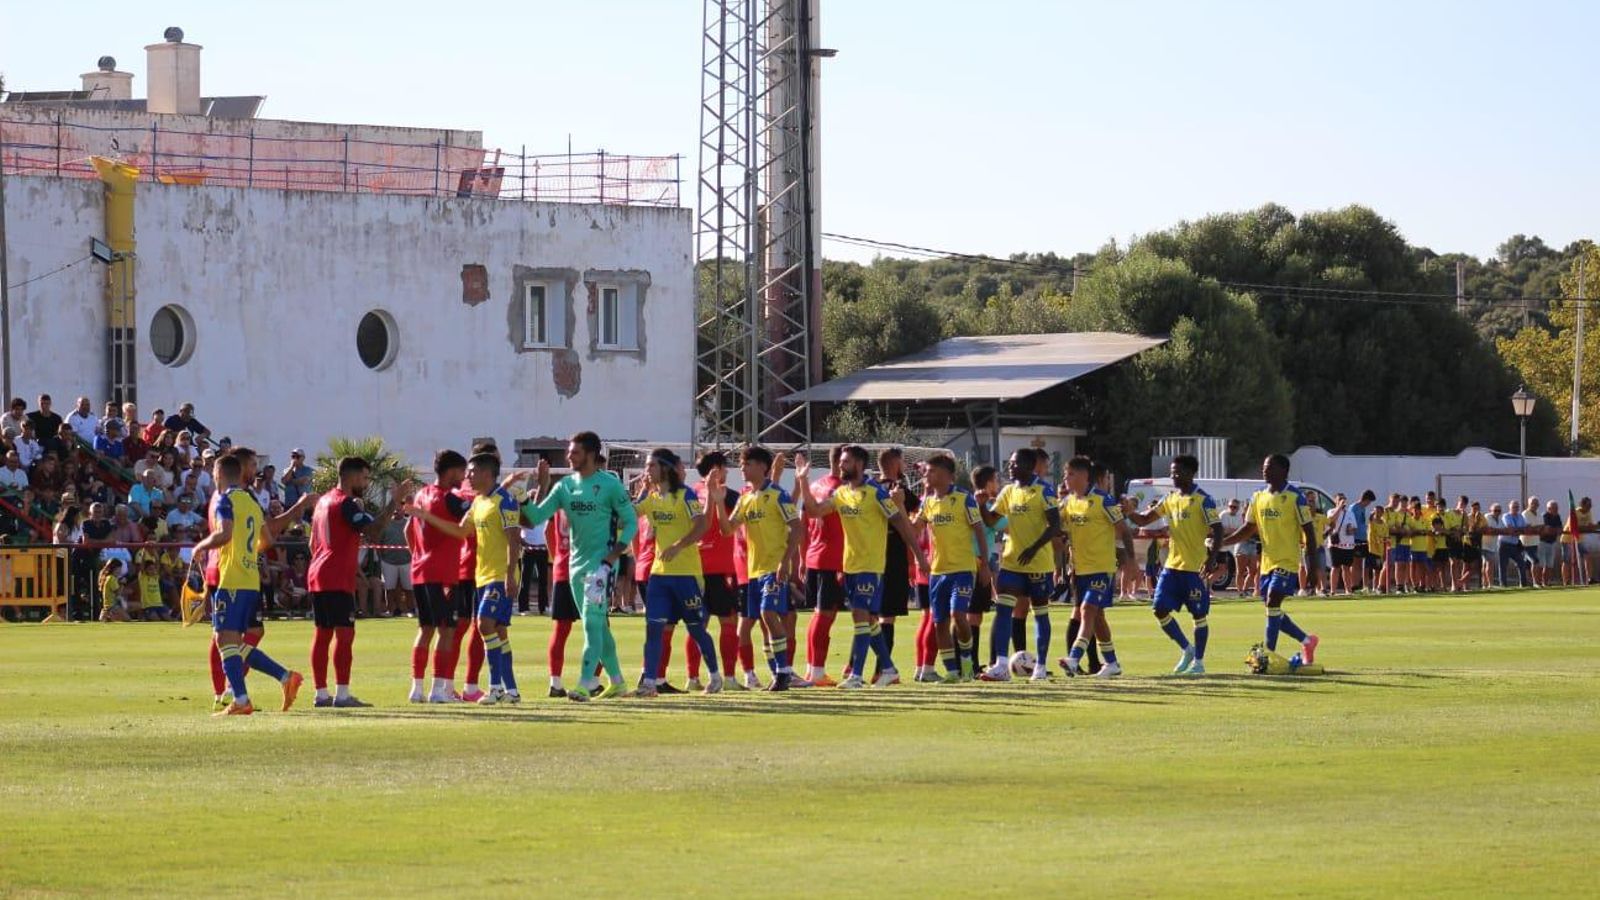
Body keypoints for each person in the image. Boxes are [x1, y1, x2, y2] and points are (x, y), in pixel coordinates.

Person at [794, 446, 929, 690]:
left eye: (845, 462)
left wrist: (919, 557)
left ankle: (856, 675)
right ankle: (888, 669)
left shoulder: (876, 493)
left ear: (858, 463)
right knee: (868, 619)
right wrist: (803, 480)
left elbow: (902, 526)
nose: (841, 466)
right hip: (850, 565)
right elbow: (814, 511)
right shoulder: (842, 493)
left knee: (860, 614)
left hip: (871, 565)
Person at [519, 432, 637, 702]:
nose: (569, 457)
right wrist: (525, 499)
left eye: (574, 452)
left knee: (592, 624)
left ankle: (584, 683)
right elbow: (537, 517)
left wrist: (612, 557)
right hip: (574, 567)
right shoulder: (564, 487)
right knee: (597, 627)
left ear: (591, 455)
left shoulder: (610, 485)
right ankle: (617, 681)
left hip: (601, 568)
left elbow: (630, 523)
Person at [190, 451, 308, 716]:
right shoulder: (251, 501)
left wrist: (201, 545)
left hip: (230, 577)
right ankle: (284, 677)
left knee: (224, 640)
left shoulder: (224, 499)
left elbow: (224, 534)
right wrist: (246, 551)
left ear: (218, 475)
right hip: (250, 580)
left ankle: (240, 699)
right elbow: (266, 541)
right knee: (234, 642)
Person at [407, 452, 523, 705]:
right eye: (466, 471)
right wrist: (426, 517)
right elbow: (460, 531)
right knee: (498, 631)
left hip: (499, 575)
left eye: (471, 471)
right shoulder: (479, 502)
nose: (468, 476)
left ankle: (494, 688)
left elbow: (514, 538)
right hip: (481, 576)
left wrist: (510, 574)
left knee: (483, 625)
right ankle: (511, 690)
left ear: (485, 473)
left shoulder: (505, 501)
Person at [307, 456, 411, 708]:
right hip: (335, 576)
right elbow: (374, 531)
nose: (366, 483)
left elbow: (312, 543)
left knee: (322, 635)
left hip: (318, 573)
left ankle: (321, 693)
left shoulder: (323, 502)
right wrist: (394, 501)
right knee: (344, 634)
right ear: (352, 476)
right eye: (364, 478)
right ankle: (342, 695)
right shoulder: (345, 504)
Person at [708, 445, 803, 691]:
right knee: (763, 618)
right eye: (741, 464)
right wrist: (718, 503)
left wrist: (785, 561)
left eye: (747, 464)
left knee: (768, 614)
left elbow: (797, 527)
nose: (742, 468)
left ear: (763, 467)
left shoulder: (778, 495)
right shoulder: (745, 498)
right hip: (752, 572)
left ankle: (783, 672)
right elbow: (727, 530)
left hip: (773, 568)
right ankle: (778, 673)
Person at [631, 448, 723, 696]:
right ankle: (650, 683)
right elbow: (629, 516)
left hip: (686, 574)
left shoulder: (686, 495)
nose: (647, 470)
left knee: (695, 629)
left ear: (665, 468)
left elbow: (702, 524)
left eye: (651, 466)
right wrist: (640, 492)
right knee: (653, 629)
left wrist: (678, 545)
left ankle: (715, 676)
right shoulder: (651, 497)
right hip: (659, 574)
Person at [1125, 454, 1221, 675]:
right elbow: (1144, 520)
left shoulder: (1203, 500)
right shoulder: (1169, 499)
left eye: (1177, 472)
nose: (1173, 476)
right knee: (1159, 609)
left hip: (1194, 569)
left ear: (1190, 473)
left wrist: (1212, 557)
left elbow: (1216, 529)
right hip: (1171, 567)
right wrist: (1129, 512)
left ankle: (1198, 662)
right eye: (1171, 472)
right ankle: (1187, 649)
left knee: (1198, 616)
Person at [1222, 454, 1322, 663]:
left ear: (1284, 471)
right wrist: (1224, 542)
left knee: (1273, 599)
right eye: (1264, 467)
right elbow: (1249, 528)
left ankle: (1267, 654)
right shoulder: (1257, 495)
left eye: (1270, 467)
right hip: (1267, 562)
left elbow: (1310, 534)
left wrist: (1312, 568)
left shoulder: (1296, 497)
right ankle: (1307, 641)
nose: (1264, 470)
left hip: (1287, 560)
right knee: (1272, 609)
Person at [977, 448, 1061, 682]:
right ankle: (1002, 664)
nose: (1010, 467)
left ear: (1030, 465)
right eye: (1010, 464)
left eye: (1015, 464)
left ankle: (1041, 667)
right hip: (1012, 562)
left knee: (1040, 614)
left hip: (1038, 565)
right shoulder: (1008, 491)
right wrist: (983, 506)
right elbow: (992, 521)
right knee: (1004, 610)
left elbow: (1055, 525)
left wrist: (1034, 548)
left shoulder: (1044, 490)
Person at [1054, 455, 1137, 677]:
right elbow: (1056, 528)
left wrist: (1131, 562)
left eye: (1070, 474)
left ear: (1084, 476)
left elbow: (1124, 530)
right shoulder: (1068, 502)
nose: (1066, 478)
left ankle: (1073, 658)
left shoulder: (1103, 500)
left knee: (1087, 610)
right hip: (1079, 570)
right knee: (1098, 617)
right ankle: (1111, 663)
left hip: (1102, 568)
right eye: (1065, 474)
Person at [911, 453, 987, 681]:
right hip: (937, 571)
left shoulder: (964, 498)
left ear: (947, 475)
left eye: (932, 471)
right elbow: (914, 530)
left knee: (958, 615)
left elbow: (979, 530)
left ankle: (966, 660)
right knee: (939, 622)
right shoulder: (927, 501)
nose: (927, 474)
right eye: (927, 471)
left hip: (963, 569)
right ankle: (952, 672)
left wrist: (984, 564)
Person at [405, 450, 472, 703]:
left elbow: (407, 530)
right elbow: (467, 521)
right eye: (462, 472)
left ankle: (417, 688)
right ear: (452, 471)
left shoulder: (421, 495)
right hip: (443, 572)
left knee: (425, 630)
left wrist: (419, 557)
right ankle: (438, 690)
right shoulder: (449, 499)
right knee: (447, 630)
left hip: (420, 571)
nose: (464, 477)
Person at [694, 452, 743, 688]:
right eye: (725, 468)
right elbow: (730, 528)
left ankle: (692, 678)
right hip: (723, 566)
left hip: (695, 566)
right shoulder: (729, 495)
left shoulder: (691, 493)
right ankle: (731, 678)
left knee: (698, 624)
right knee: (728, 621)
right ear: (717, 469)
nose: (727, 473)